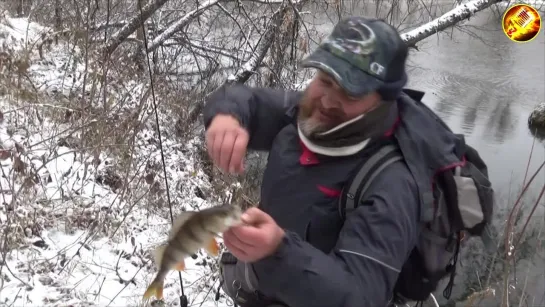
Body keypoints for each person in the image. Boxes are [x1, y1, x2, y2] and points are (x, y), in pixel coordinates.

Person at [203, 16, 488, 307]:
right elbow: (247, 100)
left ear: (382, 100)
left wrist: (277, 252)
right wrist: (228, 114)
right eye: (325, 80)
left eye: (350, 92)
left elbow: (360, 296)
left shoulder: (394, 183)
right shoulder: (310, 113)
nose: (327, 100)